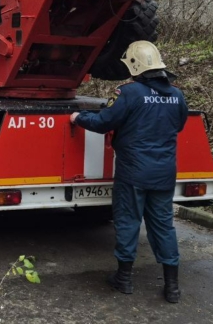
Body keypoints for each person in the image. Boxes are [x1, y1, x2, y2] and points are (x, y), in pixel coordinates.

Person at [70, 41, 188, 303]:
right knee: (163, 227)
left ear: (134, 66)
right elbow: (178, 125)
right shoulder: (177, 95)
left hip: (133, 172)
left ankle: (123, 279)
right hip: (164, 174)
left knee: (128, 221)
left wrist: (78, 118)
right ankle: (172, 287)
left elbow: (104, 122)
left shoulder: (129, 93)